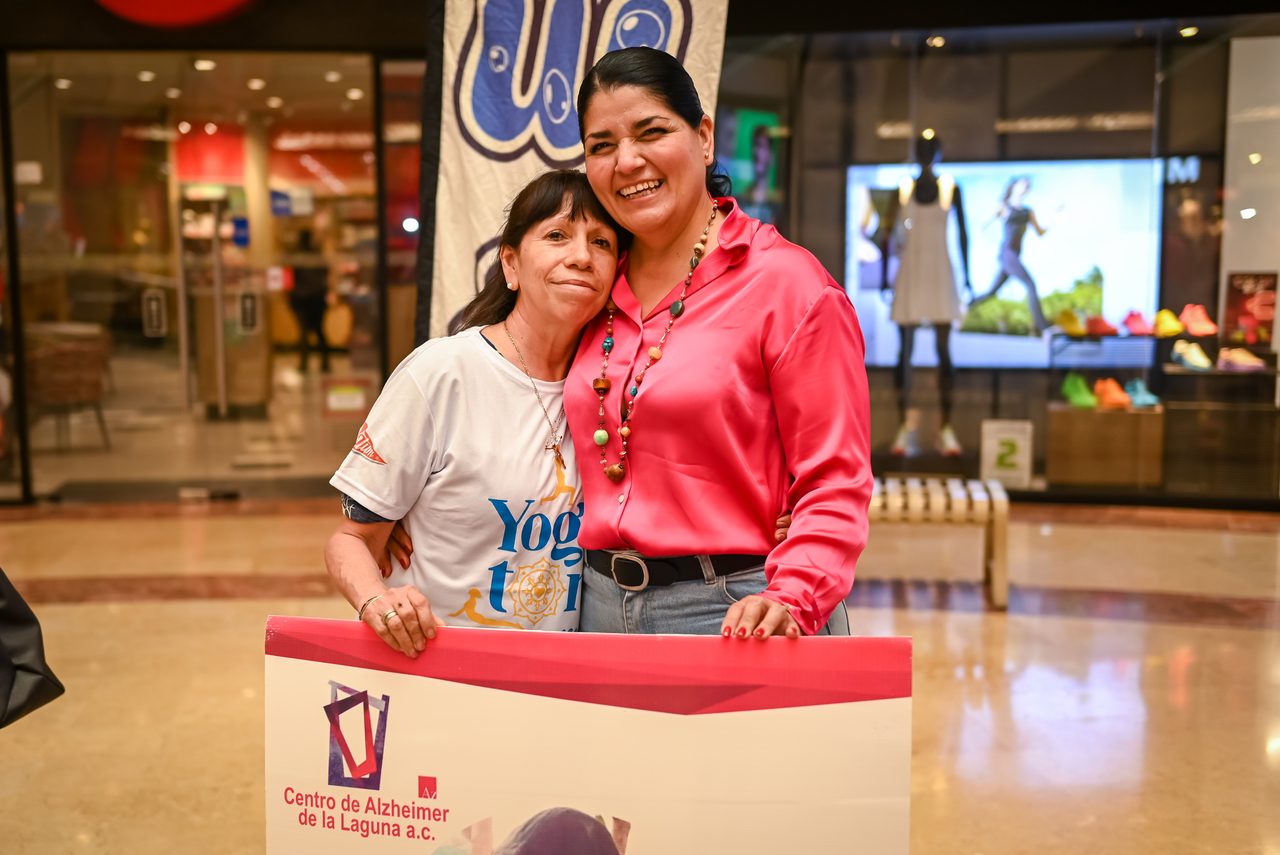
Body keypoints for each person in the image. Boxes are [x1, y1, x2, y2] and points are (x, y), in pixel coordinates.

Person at [568, 47, 871, 639]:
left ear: (704, 137)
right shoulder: (590, 282)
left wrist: (796, 594)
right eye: (601, 145)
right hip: (596, 606)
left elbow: (835, 476)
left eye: (651, 132)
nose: (626, 161)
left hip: (742, 608)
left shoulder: (786, 283)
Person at [324, 171, 622, 657]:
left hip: (553, 678)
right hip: (440, 670)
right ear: (510, 263)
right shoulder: (442, 373)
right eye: (556, 235)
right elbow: (350, 539)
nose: (582, 257)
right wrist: (379, 601)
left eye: (602, 242)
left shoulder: (612, 385)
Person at [879, 135, 971, 458]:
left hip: (940, 273)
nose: (926, 154)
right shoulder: (902, 189)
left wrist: (968, 277)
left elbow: (963, 233)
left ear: (940, 153)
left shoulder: (951, 189)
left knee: (944, 352)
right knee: (904, 353)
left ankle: (946, 428)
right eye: (921, 149)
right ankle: (903, 428)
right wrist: (884, 276)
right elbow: (886, 234)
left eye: (932, 149)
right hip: (911, 273)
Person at [967, 176, 1051, 334]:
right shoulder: (1004, 207)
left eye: (1028, 185)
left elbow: (1040, 232)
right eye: (1023, 183)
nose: (1026, 186)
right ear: (1014, 186)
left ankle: (966, 305)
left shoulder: (1028, 212)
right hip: (1007, 254)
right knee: (1031, 284)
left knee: (991, 292)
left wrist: (1052, 219)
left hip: (1014, 256)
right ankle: (1045, 329)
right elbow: (982, 226)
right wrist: (992, 243)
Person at [290, 229, 331, 373]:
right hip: (315, 298)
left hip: (304, 299)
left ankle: (305, 364)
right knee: (318, 331)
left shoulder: (298, 257)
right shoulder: (315, 256)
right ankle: (323, 363)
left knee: (306, 332)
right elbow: (325, 274)